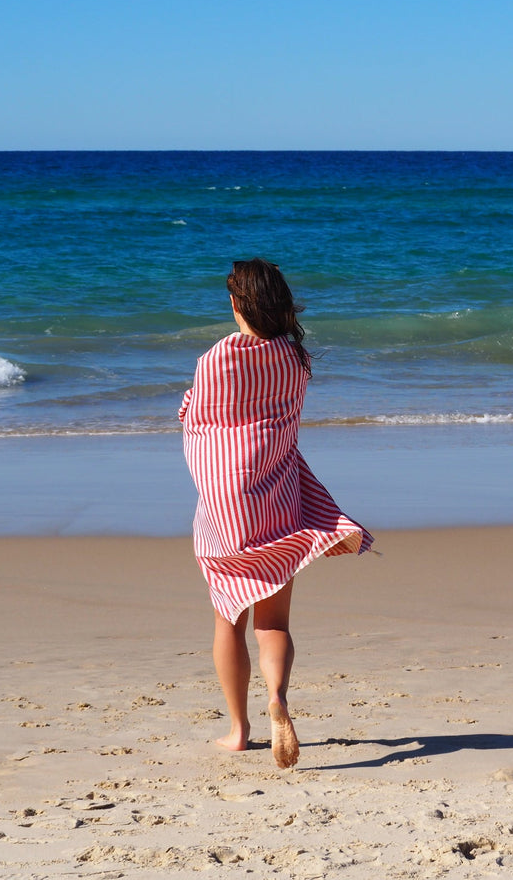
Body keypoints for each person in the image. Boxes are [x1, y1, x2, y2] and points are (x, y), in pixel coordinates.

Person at [179, 258, 373, 768]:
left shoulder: (219, 357)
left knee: (228, 617)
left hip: (227, 498)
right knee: (274, 621)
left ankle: (239, 730)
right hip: (277, 489)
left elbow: (198, 417)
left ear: (237, 303)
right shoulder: (295, 358)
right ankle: (279, 699)